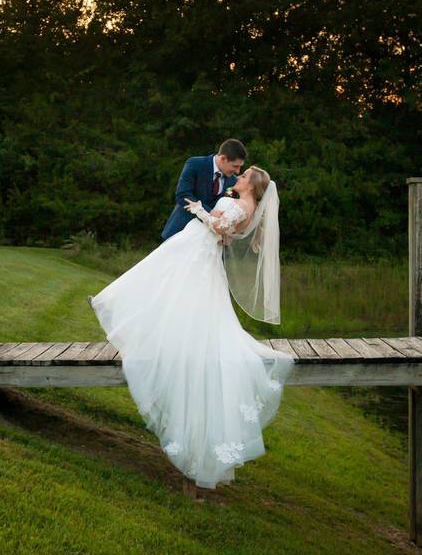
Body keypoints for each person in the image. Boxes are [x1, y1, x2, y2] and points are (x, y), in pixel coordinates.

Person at [88, 161, 293, 494]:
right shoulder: (244, 203)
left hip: (199, 251)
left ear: (252, 186)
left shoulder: (244, 204)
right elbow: (227, 232)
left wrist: (200, 210)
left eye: (242, 176)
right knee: (162, 281)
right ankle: (120, 307)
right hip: (197, 251)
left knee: (170, 288)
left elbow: (218, 227)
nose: (237, 178)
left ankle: (125, 313)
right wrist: (218, 226)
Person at [160, 139, 247, 241]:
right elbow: (183, 195)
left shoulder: (233, 181)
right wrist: (209, 212)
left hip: (209, 239)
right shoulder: (195, 164)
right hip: (181, 230)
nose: (237, 171)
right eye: (235, 166)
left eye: (240, 167)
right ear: (223, 158)